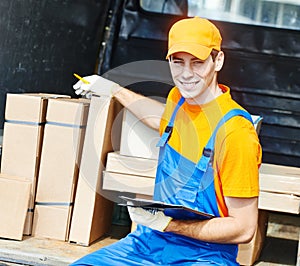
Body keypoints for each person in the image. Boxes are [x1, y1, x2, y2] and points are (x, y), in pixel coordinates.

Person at [71, 16, 262, 265]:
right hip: (149, 243)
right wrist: (114, 90)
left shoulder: (235, 133)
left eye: (197, 63)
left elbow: (244, 229)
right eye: (177, 62)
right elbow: (159, 118)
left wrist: (170, 224)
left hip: (205, 255)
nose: (186, 74)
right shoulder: (178, 100)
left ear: (218, 61)